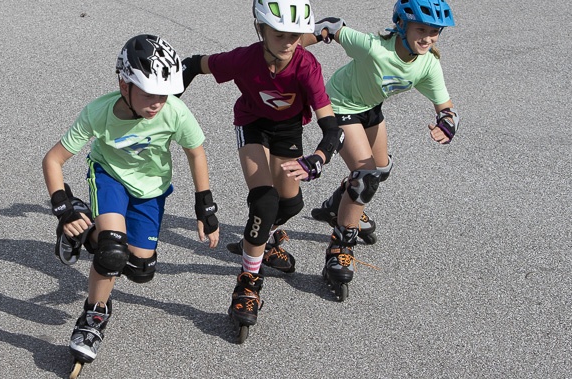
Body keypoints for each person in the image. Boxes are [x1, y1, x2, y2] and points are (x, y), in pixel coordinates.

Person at [42, 34, 220, 365]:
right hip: (109, 176)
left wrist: (205, 206)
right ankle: (92, 319)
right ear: (124, 84)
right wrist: (63, 210)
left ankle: (83, 230)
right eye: (149, 94)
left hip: (151, 189)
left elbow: (195, 153)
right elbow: (53, 160)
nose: (157, 103)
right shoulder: (98, 112)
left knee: (140, 268)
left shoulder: (175, 112)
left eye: (163, 95)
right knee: (112, 250)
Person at [178, 0, 341, 333]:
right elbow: (194, 64)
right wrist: (167, 101)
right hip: (251, 125)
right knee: (264, 202)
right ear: (260, 29)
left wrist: (319, 158)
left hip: (288, 130)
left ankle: (262, 239)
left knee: (292, 204)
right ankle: (248, 285)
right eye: (280, 34)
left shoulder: (306, 66)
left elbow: (332, 129)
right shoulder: (243, 59)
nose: (289, 43)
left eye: (297, 35)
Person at [305, 0, 458, 300]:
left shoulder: (428, 64)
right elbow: (333, 26)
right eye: (421, 29)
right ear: (401, 25)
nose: (427, 37)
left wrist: (447, 124)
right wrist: (292, 47)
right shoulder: (374, 48)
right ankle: (340, 248)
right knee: (366, 178)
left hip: (369, 108)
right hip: (338, 105)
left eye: (434, 31)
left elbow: (446, 108)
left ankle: (339, 204)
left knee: (382, 168)